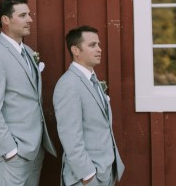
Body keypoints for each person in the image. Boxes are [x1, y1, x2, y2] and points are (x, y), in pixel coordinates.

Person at [0, 0, 56, 186]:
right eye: (23, 15)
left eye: (29, 14)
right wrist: (10, 150)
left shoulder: (28, 52)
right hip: (11, 154)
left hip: (34, 150)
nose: (30, 19)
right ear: (6, 20)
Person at [53, 26, 125, 186]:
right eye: (92, 45)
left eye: (98, 45)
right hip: (86, 177)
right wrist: (88, 175)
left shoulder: (92, 80)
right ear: (75, 50)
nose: (99, 49)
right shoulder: (69, 84)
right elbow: (70, 136)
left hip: (104, 171)